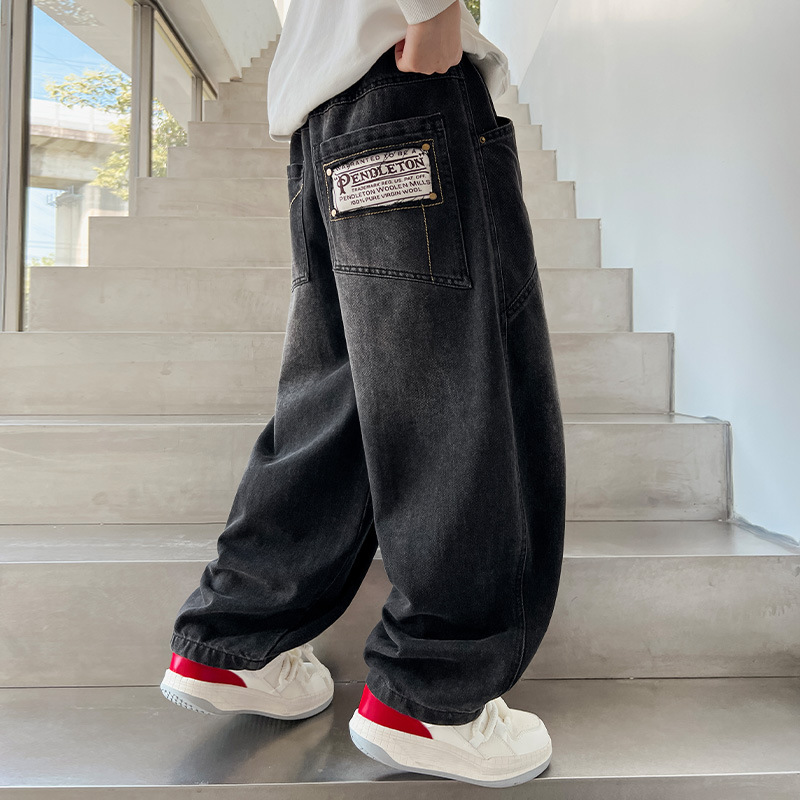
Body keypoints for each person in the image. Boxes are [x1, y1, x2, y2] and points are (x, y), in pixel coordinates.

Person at [160, 0, 566, 789]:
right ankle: (434, 696)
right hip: (408, 83)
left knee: (339, 395)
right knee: (458, 390)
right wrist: (434, 11)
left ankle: (237, 639)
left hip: (325, 115)